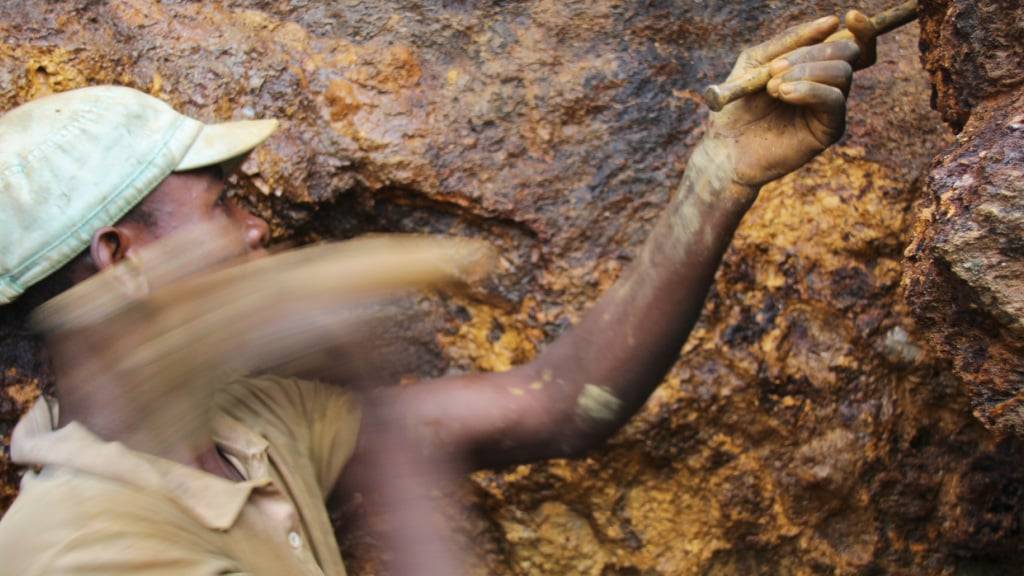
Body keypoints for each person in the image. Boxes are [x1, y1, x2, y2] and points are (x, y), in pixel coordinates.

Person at [0, 12, 878, 576]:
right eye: (223, 204)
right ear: (120, 256)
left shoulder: (242, 426)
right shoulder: (79, 547)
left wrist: (717, 177)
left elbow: (560, 404)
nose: (257, 230)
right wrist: (357, 351)